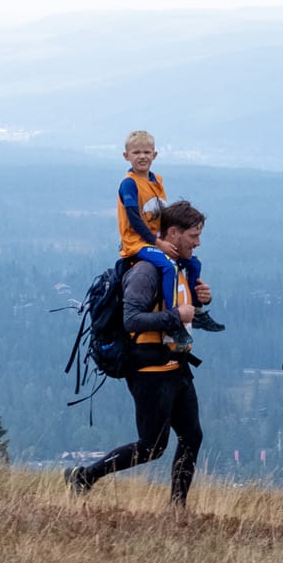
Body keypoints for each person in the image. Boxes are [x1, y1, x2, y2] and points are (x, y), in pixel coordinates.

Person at [66, 201, 211, 507]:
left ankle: (177, 509)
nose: (198, 242)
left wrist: (200, 301)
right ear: (173, 232)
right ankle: (85, 476)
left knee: (192, 437)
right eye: (193, 235)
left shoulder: (178, 268)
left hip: (177, 367)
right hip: (149, 373)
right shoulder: (145, 271)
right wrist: (177, 314)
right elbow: (132, 320)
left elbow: (181, 312)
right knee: (152, 446)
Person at [116, 129, 221, 332]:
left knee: (194, 264)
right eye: (136, 152)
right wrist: (159, 243)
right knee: (168, 266)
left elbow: (160, 215)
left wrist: (201, 297)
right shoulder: (129, 183)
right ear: (126, 156)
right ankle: (175, 318)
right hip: (138, 243)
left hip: (155, 240)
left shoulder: (156, 181)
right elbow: (135, 219)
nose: (142, 156)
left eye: (147, 152)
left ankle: (197, 312)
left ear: (155, 155)